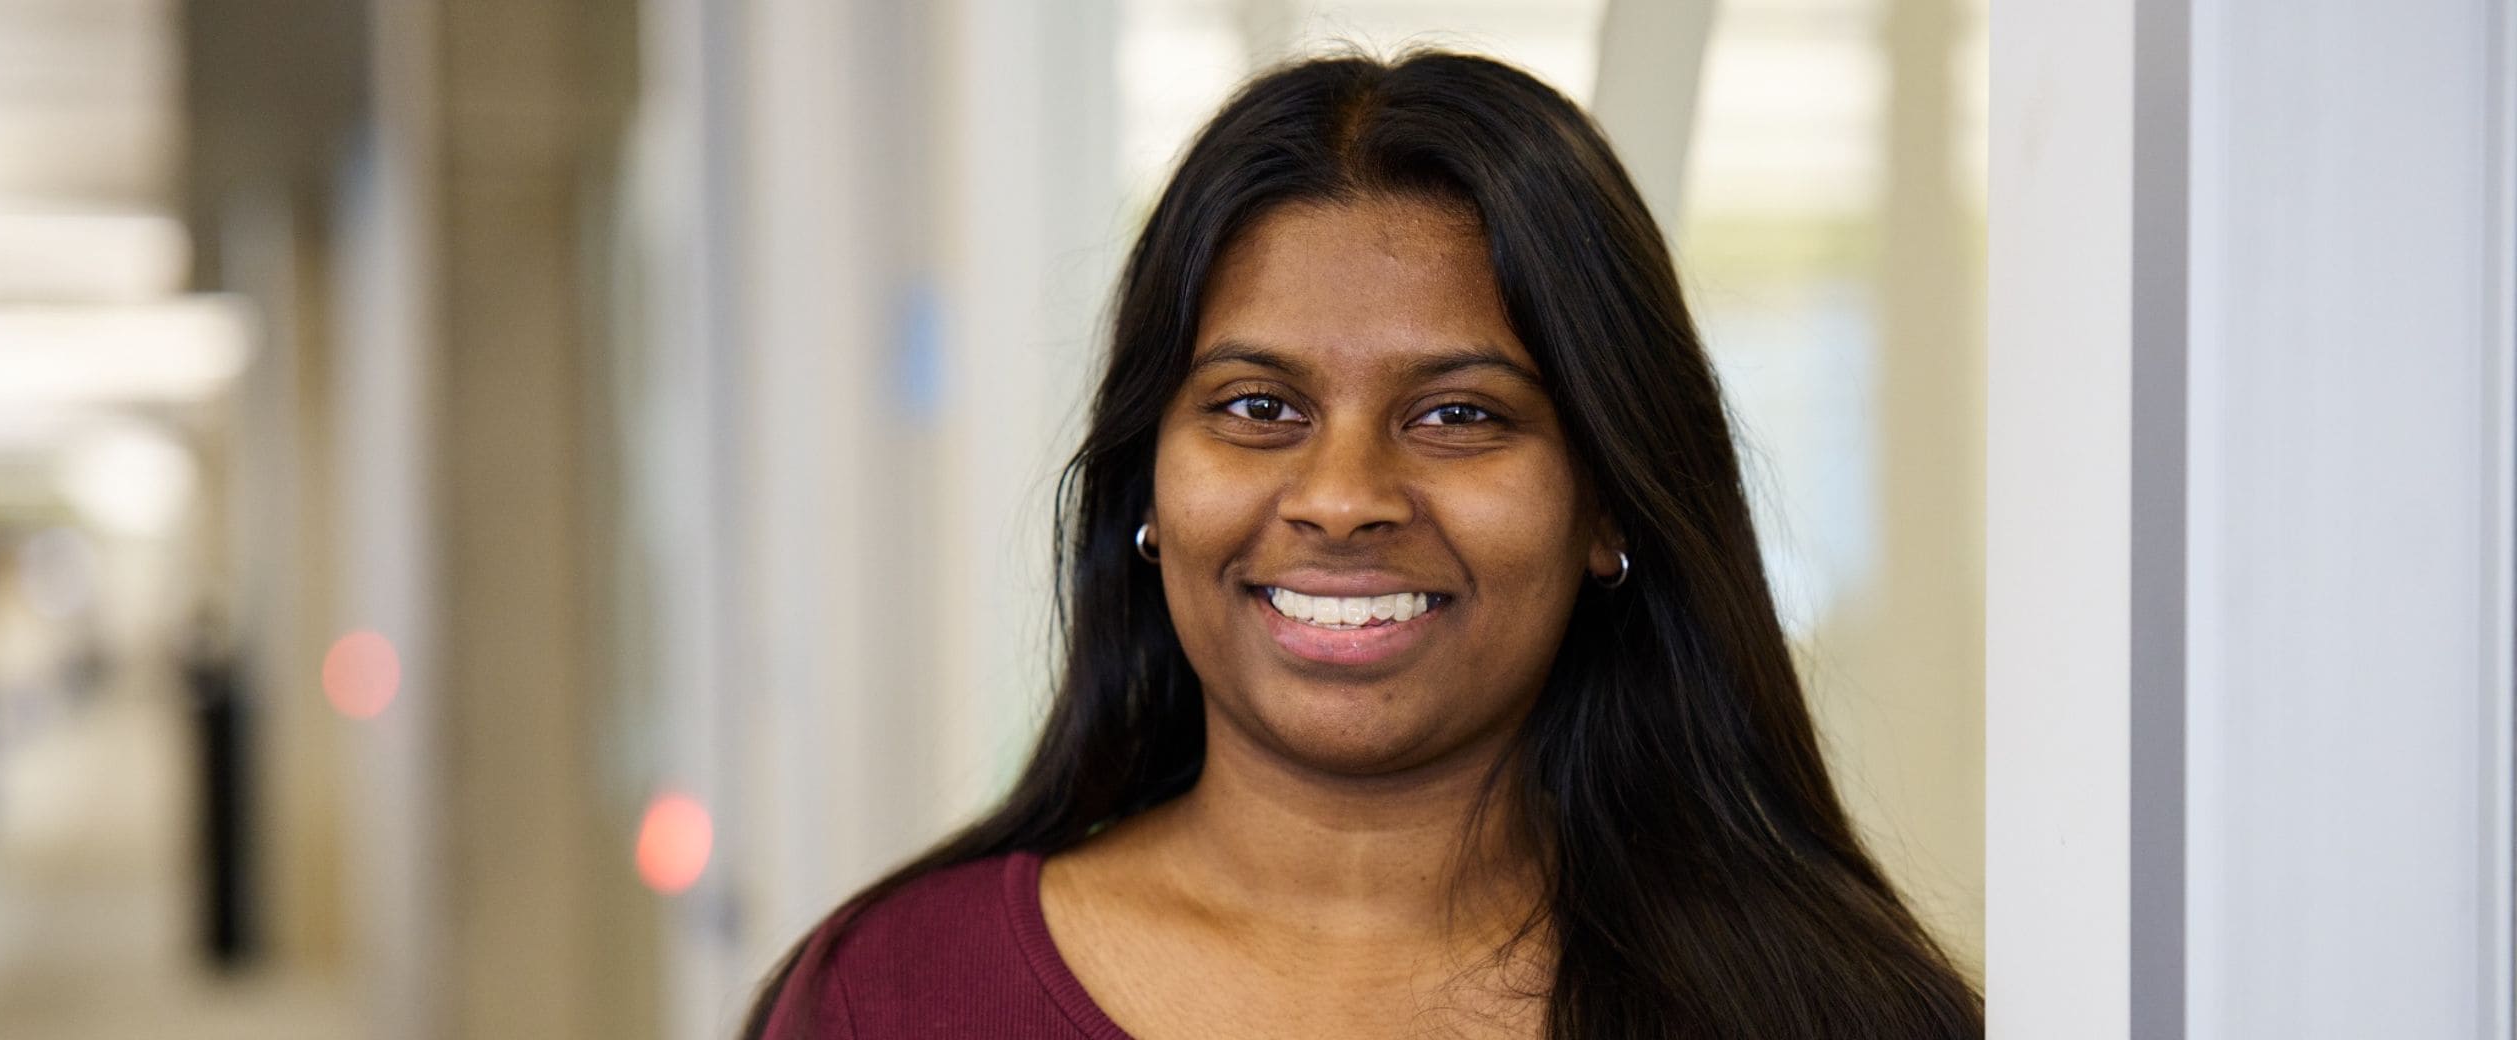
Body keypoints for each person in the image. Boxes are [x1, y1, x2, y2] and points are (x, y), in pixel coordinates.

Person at [744, 49, 1982, 1040]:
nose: (1342, 497)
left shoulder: (1835, 1011)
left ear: (1607, 501)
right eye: (1257, 406)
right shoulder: (890, 997)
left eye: (1458, 414)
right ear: (1149, 485)